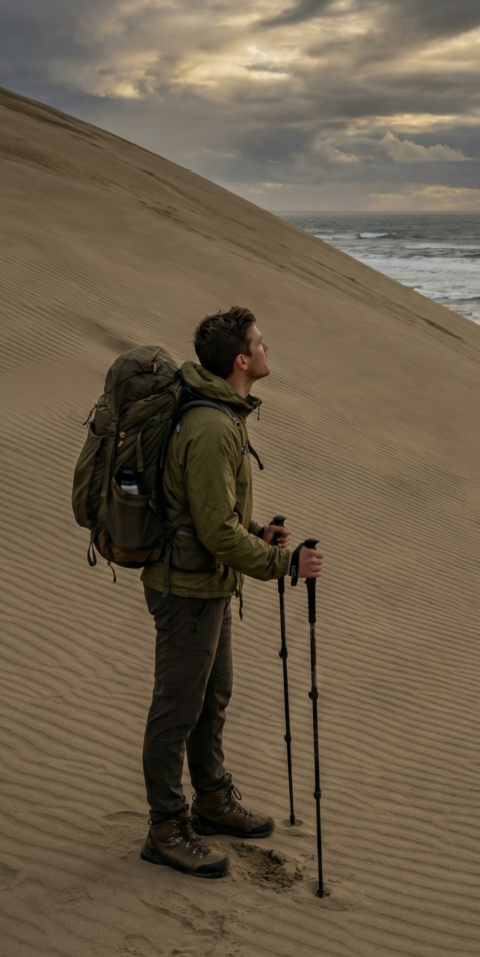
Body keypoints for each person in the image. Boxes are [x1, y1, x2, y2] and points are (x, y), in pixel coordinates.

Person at [139, 306, 323, 878]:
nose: (269, 349)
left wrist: (256, 534)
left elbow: (213, 516)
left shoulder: (221, 414)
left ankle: (213, 799)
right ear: (241, 361)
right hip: (187, 589)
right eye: (261, 342)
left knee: (211, 699)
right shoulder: (215, 425)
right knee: (177, 708)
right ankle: (167, 828)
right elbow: (216, 532)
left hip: (206, 583)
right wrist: (283, 563)